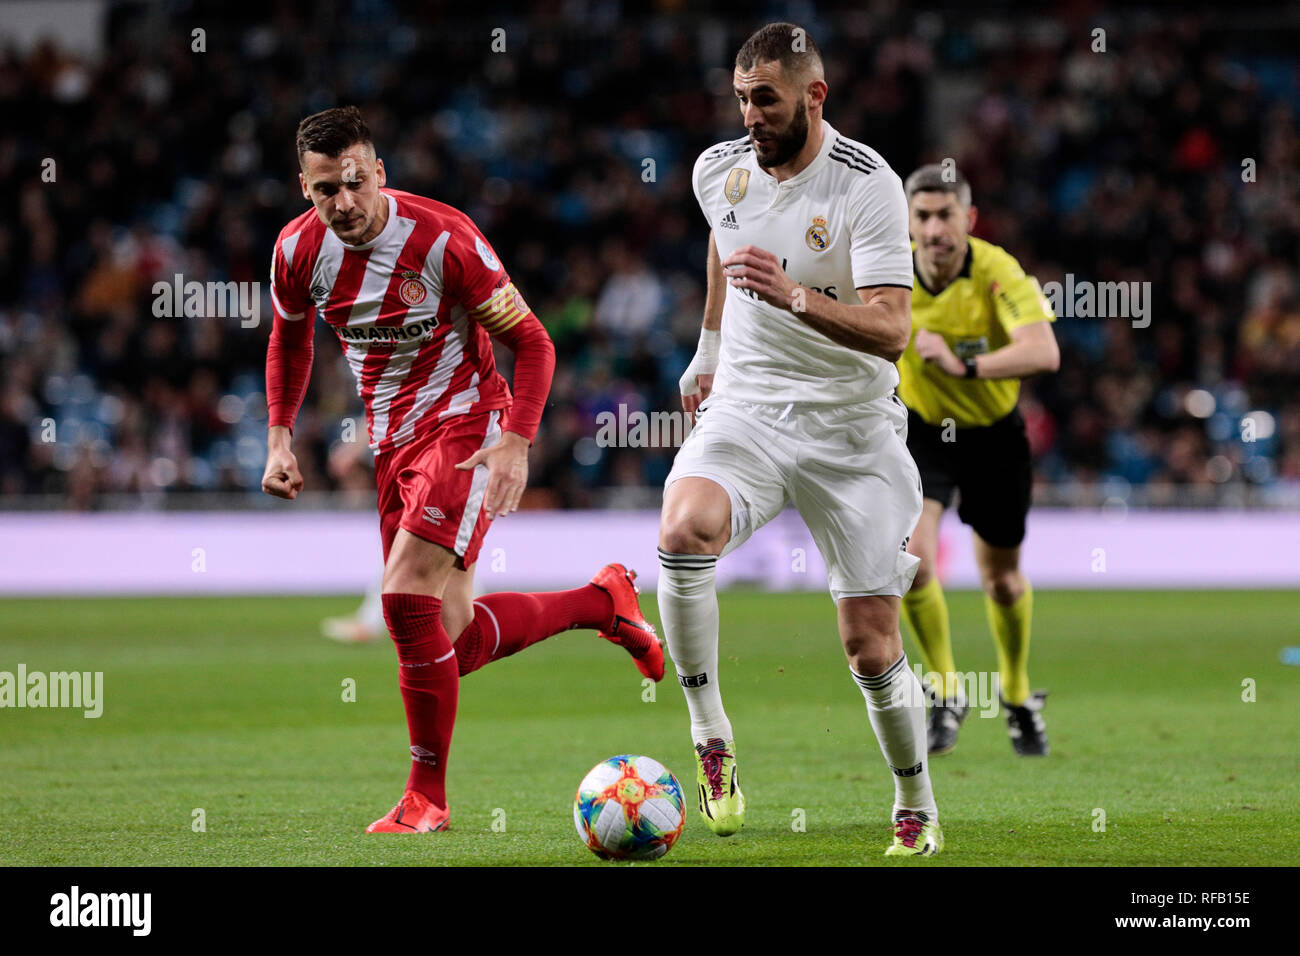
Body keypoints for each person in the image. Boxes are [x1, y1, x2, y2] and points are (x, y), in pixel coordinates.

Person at [261, 106, 663, 833]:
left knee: (403, 601)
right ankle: (603, 602)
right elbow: (289, 342)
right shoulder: (296, 252)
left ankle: (427, 800)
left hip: (466, 428)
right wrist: (280, 438)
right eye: (326, 191)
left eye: (355, 182)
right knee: (452, 640)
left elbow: (534, 342)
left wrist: (515, 441)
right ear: (304, 189)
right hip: (393, 448)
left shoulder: (445, 239)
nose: (344, 202)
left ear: (379, 172)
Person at [660, 23, 942, 856]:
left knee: (868, 643)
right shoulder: (719, 170)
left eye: (766, 99)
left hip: (851, 428)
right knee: (682, 530)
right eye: (742, 98)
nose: (750, 115)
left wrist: (794, 298)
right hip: (748, 407)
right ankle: (711, 737)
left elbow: (893, 330)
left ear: (815, 95)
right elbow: (724, 242)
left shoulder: (869, 187)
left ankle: (916, 803)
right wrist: (709, 350)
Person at [897, 163, 1059, 757]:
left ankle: (1016, 694)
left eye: (945, 216)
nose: (934, 229)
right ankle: (944, 689)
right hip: (921, 433)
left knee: (1004, 582)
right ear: (908, 222)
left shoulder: (998, 271)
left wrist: (964, 366)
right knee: (911, 564)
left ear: (968, 219)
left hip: (994, 436)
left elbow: (1044, 352)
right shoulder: (888, 272)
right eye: (923, 216)